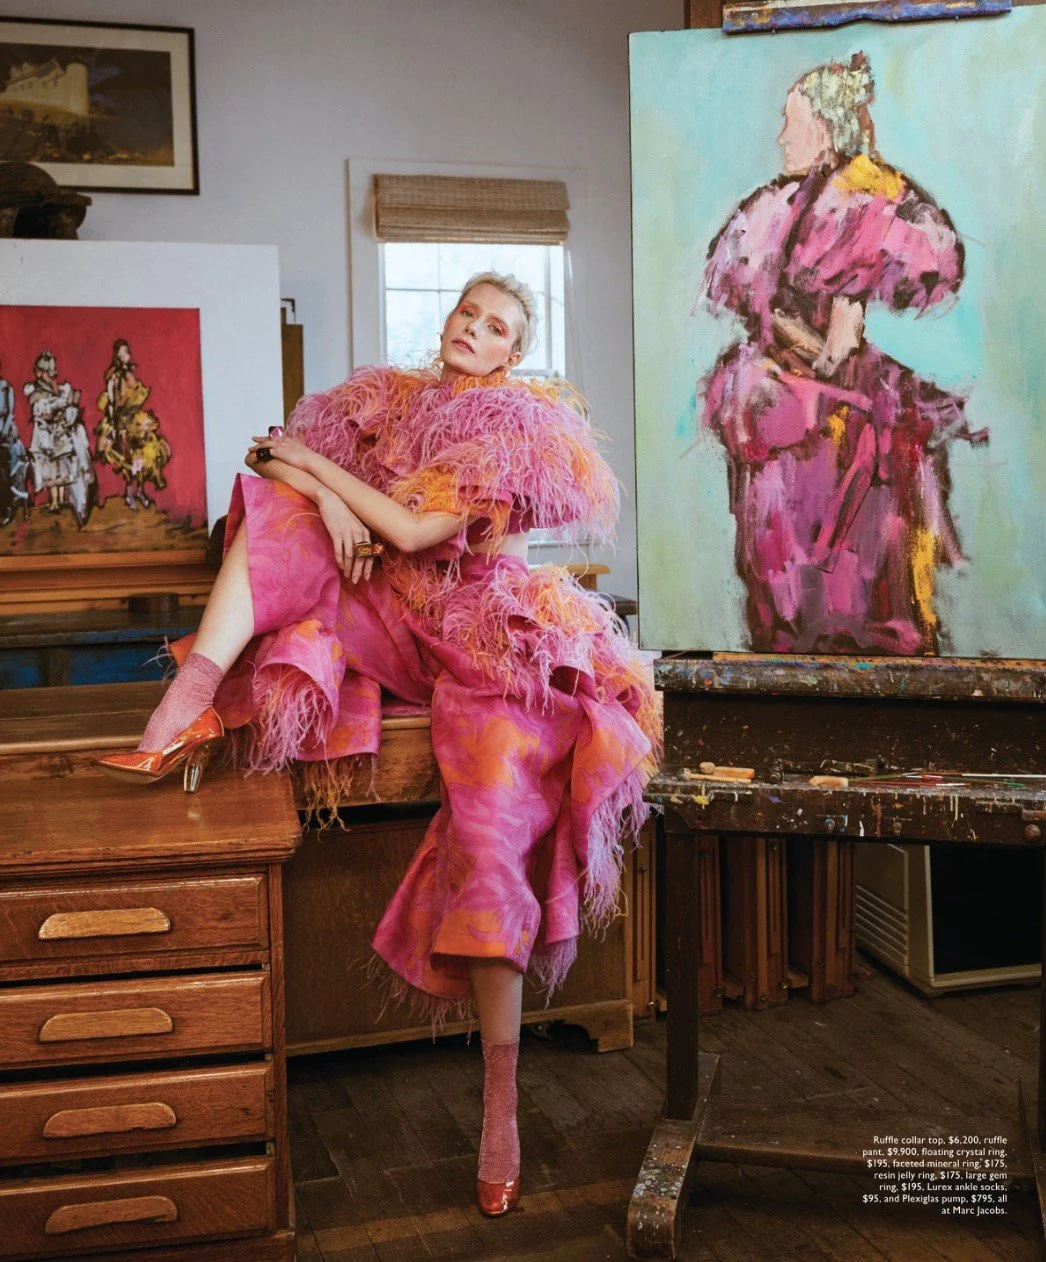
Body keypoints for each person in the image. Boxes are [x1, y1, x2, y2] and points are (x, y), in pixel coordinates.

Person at [99, 272, 660, 1217]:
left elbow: (410, 527)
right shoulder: (384, 401)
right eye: (467, 313)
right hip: (401, 616)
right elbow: (267, 458)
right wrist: (324, 499)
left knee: (490, 844)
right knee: (278, 507)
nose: (473, 330)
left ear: (514, 354)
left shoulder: (512, 428)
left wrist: (327, 484)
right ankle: (183, 709)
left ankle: (500, 1107)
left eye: (496, 327)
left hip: (486, 636)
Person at [700, 53, 988, 655]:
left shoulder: (862, 201)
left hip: (832, 432)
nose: (781, 136)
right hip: (796, 422)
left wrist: (795, 354)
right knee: (792, 577)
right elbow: (784, 318)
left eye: (791, 121)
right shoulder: (780, 206)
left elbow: (839, 345)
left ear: (826, 128)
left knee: (844, 586)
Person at [95, 338, 172, 510]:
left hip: (135, 420)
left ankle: (140, 492)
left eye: (127, 352)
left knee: (144, 457)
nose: (125, 355)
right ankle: (130, 494)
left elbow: (135, 397)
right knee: (129, 460)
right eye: (121, 353)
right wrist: (115, 427)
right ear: (116, 356)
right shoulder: (114, 377)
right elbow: (112, 403)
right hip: (122, 423)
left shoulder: (130, 373)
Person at [24, 350, 97, 527]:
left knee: (67, 463)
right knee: (51, 466)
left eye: (52, 371)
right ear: (40, 372)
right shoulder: (35, 391)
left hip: (60, 433)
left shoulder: (58, 387)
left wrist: (68, 405)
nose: (51, 375)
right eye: (47, 372)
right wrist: (61, 406)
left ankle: (68, 501)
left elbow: (63, 407)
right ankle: (56, 501)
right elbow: (43, 412)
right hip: (46, 436)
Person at [0, 359, 30, 527]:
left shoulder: (6, 387)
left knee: (6, 470)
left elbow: (10, 414)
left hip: (5, 432)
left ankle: (8, 508)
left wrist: (3, 433)